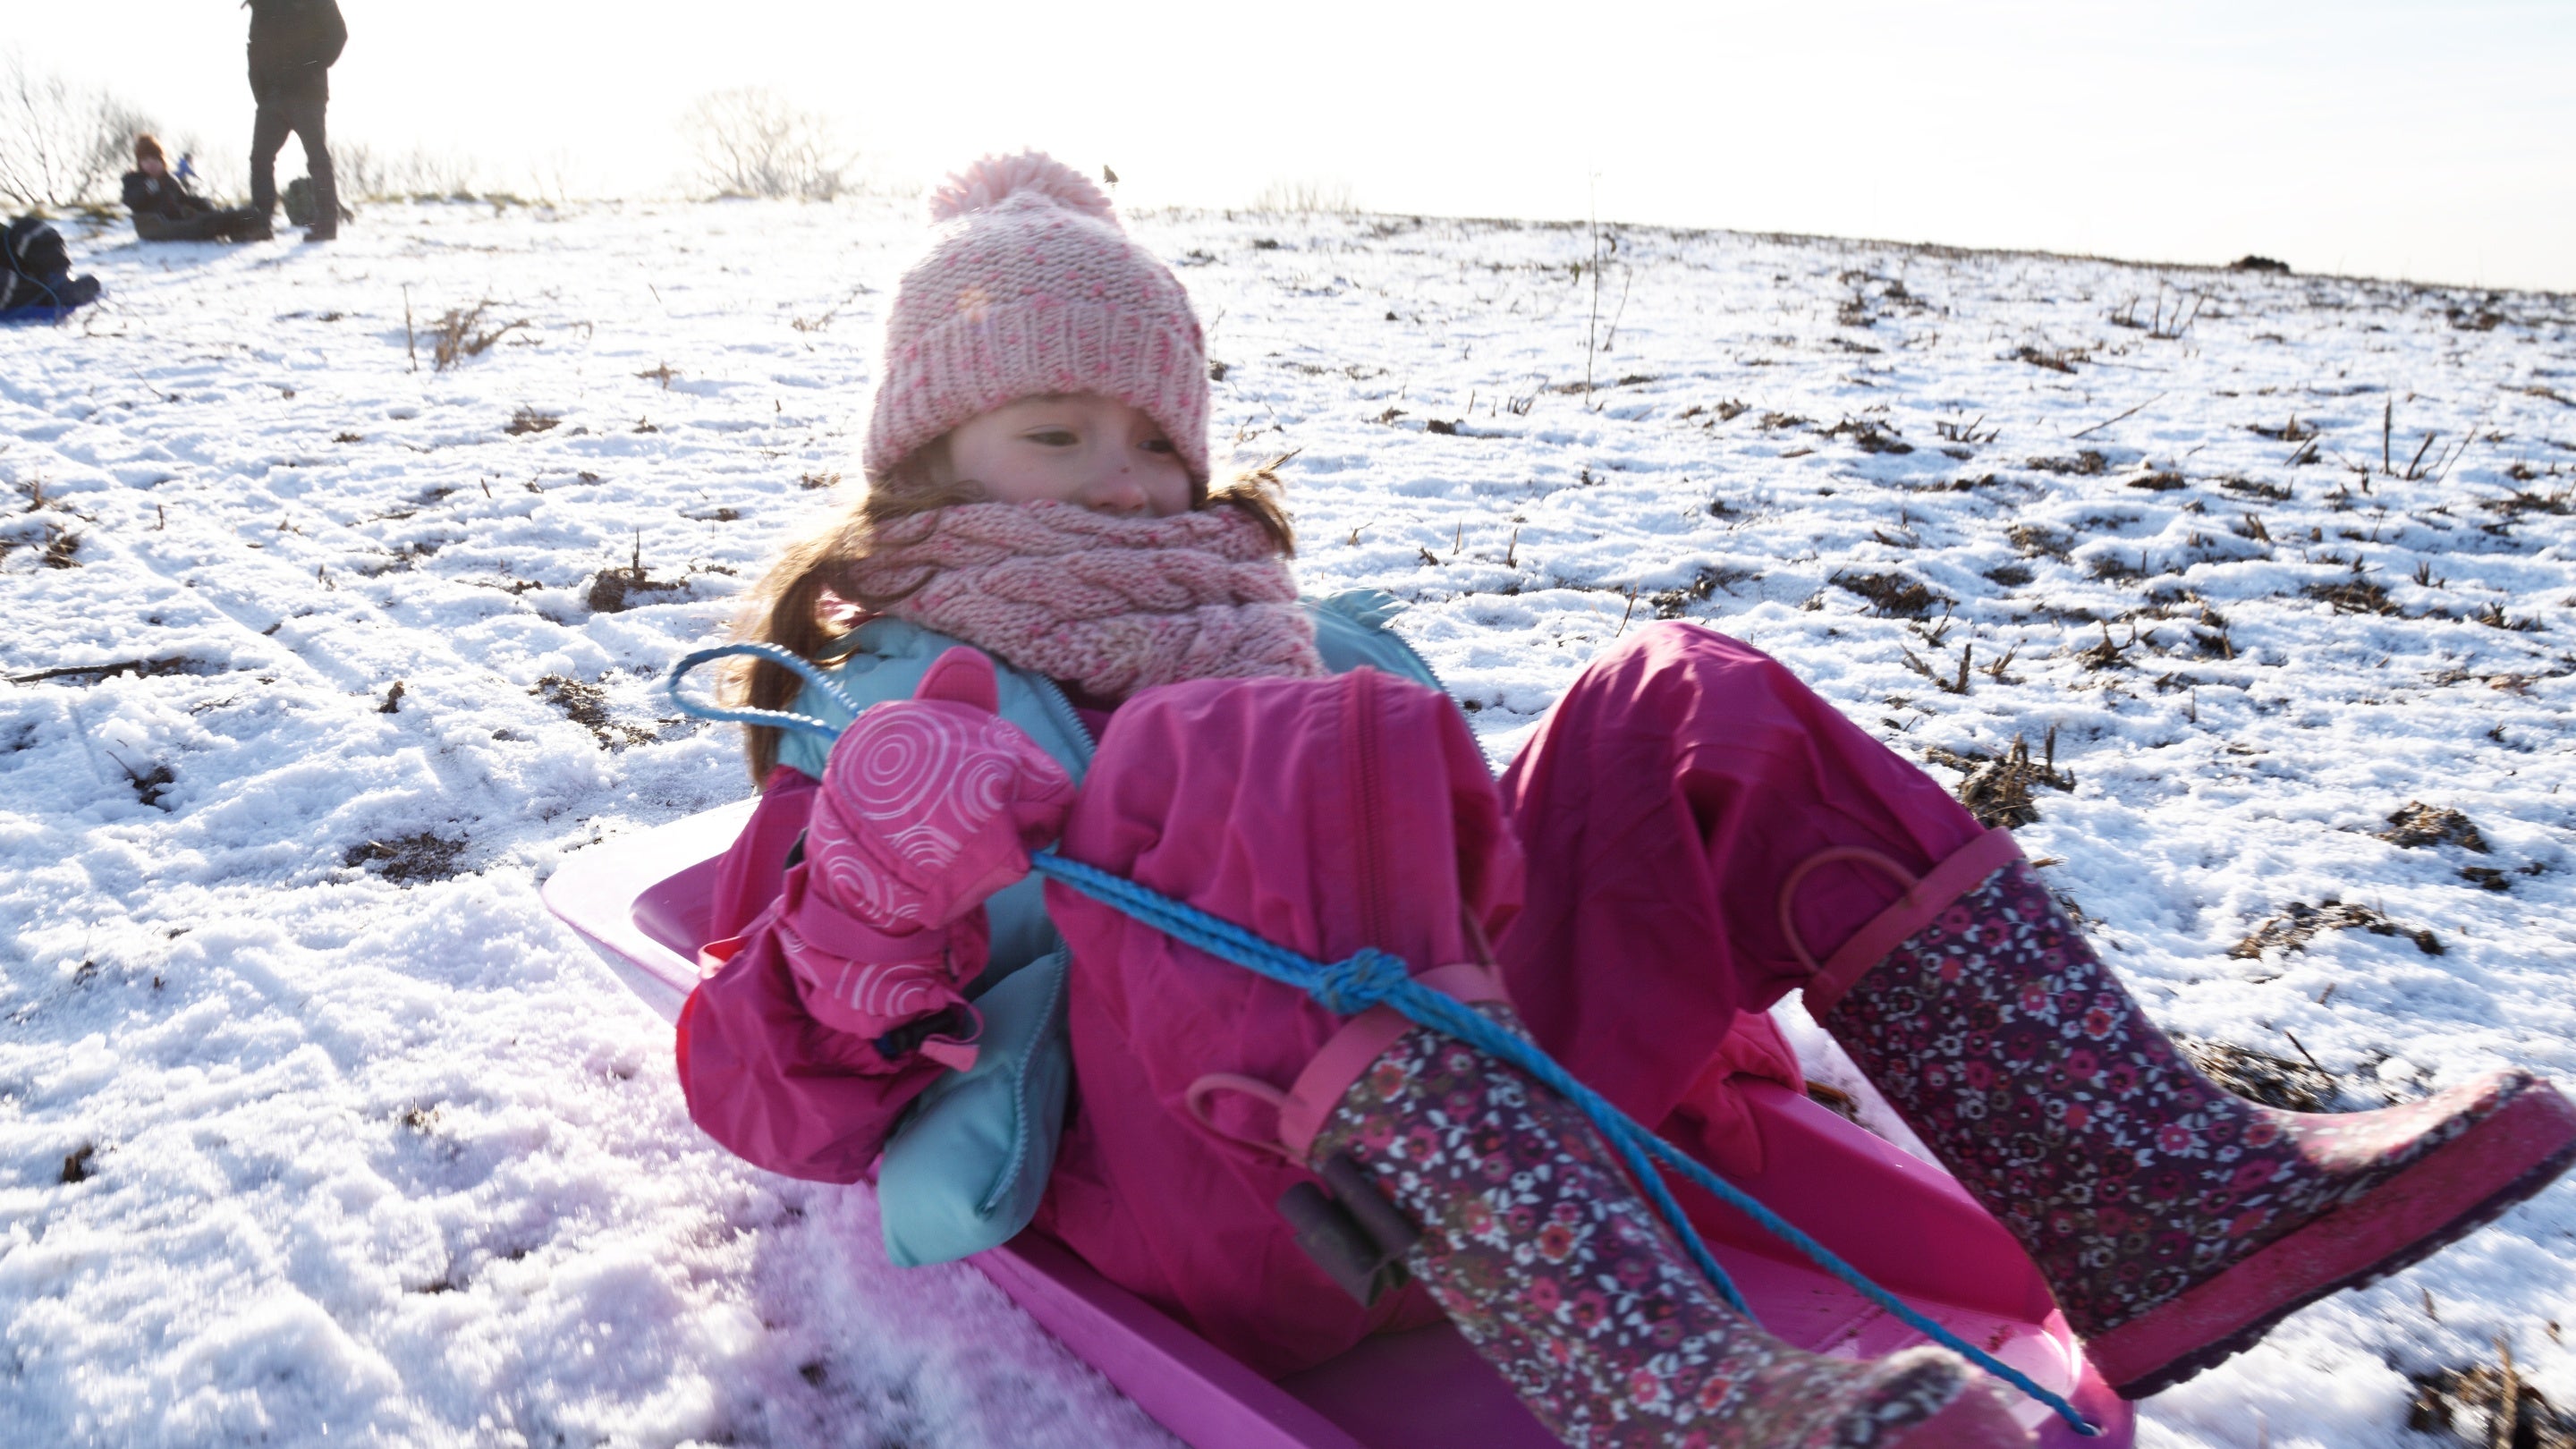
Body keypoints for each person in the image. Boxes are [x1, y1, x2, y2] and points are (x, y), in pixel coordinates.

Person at [670, 153, 2576, 1448]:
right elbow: (757, 1088)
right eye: (1053, 429)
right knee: (1229, 758)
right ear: (928, 451)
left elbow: (1476, 890)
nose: (1121, 474)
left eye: (1157, 434)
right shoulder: (894, 697)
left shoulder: (1296, 637)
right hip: (1194, 1197)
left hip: (1481, 1132)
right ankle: (1667, 1390)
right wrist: (864, 900)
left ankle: (2149, 1186)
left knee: (1689, 706)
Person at [242, 0, 346, 242]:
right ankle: (261, 223)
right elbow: (254, 47)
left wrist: (310, 68)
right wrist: (261, 90)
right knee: (260, 158)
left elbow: (338, 35)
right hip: (271, 97)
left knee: (317, 156)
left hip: (307, 94)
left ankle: (326, 223)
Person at [123, 135, 270, 242]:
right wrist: (146, 191)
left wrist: (203, 203)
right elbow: (130, 200)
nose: (151, 164)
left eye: (155, 160)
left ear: (162, 161)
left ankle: (247, 227)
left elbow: (185, 199)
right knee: (213, 222)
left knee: (245, 213)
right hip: (165, 226)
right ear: (139, 164)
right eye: (146, 161)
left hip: (185, 220)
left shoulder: (169, 181)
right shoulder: (135, 181)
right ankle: (242, 228)